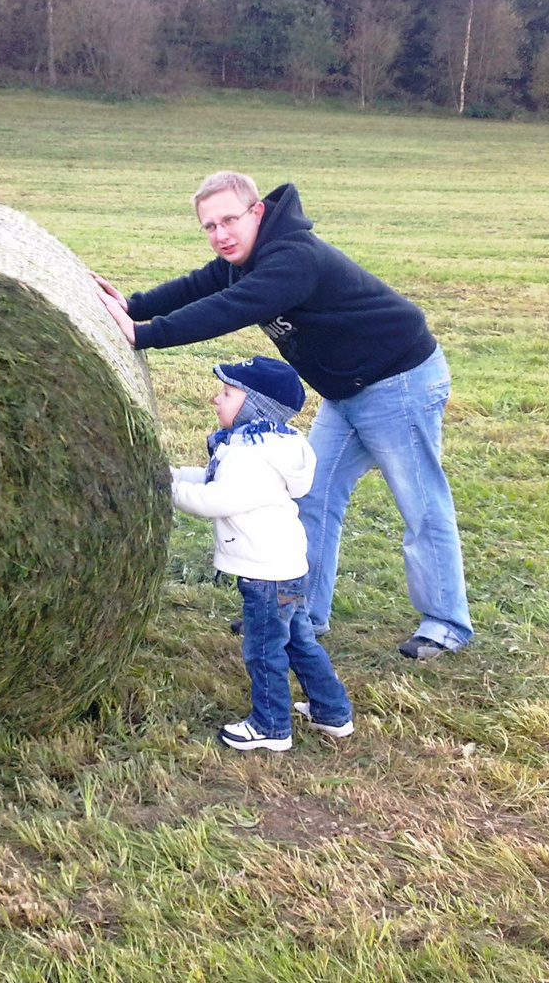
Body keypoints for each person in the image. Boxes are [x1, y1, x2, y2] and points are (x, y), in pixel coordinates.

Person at [94, 171, 471, 659]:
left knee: (420, 504)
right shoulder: (242, 257)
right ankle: (303, 610)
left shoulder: (292, 258)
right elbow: (200, 286)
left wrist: (143, 333)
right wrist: (133, 304)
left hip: (399, 379)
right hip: (345, 389)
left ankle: (446, 623)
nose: (220, 234)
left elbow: (231, 307)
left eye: (229, 220)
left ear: (257, 213)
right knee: (310, 494)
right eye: (209, 226)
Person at [171, 356, 354, 751]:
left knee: (264, 649)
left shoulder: (249, 454)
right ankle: (332, 712)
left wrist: (167, 491)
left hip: (265, 574)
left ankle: (271, 726)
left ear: (255, 405)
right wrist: (171, 474)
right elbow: (210, 478)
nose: (215, 400)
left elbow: (216, 498)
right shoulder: (266, 444)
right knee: (298, 642)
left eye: (227, 393)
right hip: (286, 566)